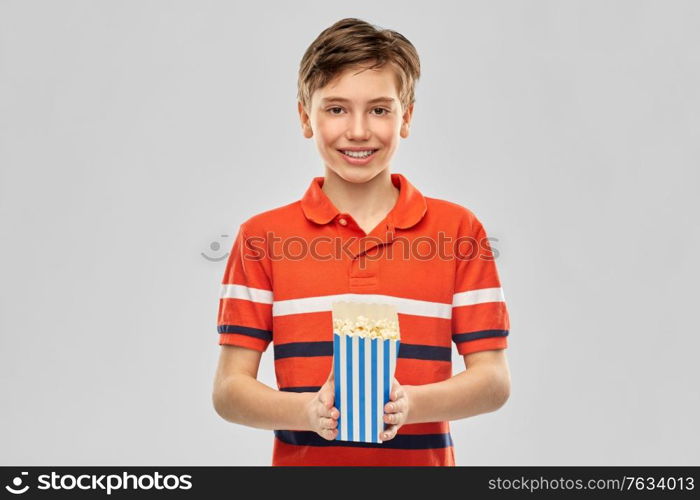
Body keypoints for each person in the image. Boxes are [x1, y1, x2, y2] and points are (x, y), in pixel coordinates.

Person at [212, 17, 511, 466]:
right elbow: (229, 390)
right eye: (335, 109)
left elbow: (493, 380)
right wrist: (306, 412)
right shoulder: (262, 239)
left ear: (405, 116)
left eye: (379, 109)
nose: (357, 130)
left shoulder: (458, 232)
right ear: (304, 118)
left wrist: (411, 405)